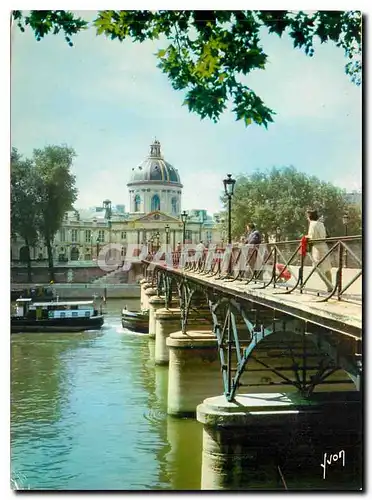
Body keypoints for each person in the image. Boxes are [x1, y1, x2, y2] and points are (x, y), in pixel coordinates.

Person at [306, 209, 333, 292]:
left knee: (318, 268)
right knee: (327, 267)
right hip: (324, 246)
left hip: (317, 248)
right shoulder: (321, 224)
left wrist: (305, 238)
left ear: (309, 217)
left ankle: (329, 286)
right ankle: (330, 285)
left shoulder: (312, 224)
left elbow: (312, 237)